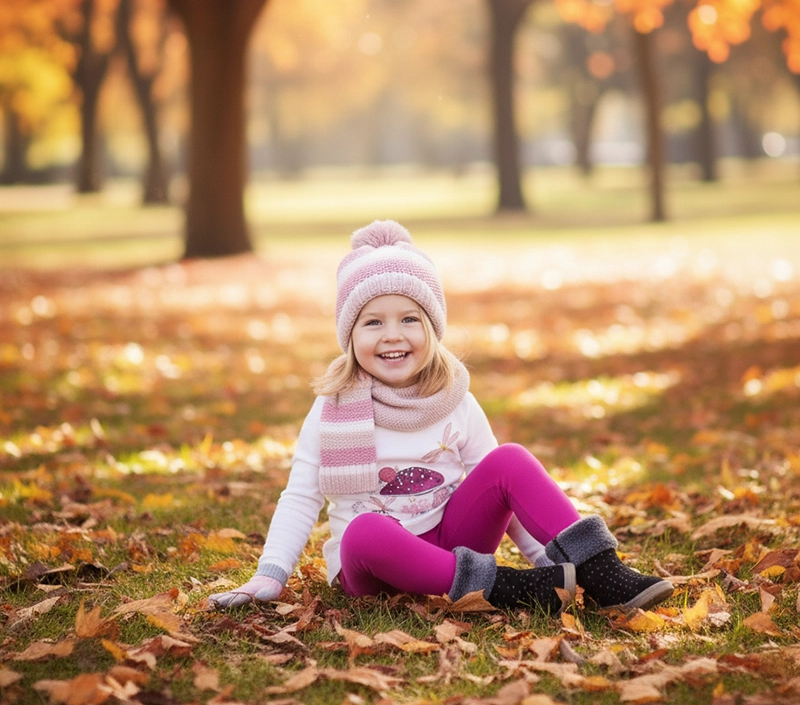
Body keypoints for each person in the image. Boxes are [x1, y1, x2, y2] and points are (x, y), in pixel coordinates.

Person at [209, 220, 674, 614]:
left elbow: (505, 495)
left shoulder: (454, 398)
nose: (393, 335)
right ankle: (503, 589)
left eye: (410, 319)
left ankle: (601, 571)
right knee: (365, 531)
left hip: (456, 542)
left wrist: (550, 569)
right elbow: (300, 497)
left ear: (432, 328)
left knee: (508, 460)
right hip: (376, 570)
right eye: (373, 322)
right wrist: (270, 574)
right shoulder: (332, 408)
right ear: (349, 335)